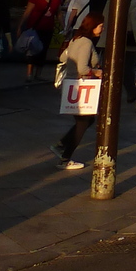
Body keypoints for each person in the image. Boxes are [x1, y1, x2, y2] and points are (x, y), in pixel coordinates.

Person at [51, 13, 104, 170]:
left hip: (71, 85)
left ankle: (62, 146)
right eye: (100, 25)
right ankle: (65, 158)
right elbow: (83, 68)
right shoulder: (86, 42)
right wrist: (96, 72)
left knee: (86, 120)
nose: (102, 28)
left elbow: (62, 57)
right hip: (81, 88)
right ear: (93, 26)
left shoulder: (76, 39)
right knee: (83, 121)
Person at [18, 0, 62, 82]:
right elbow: (27, 13)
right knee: (32, 50)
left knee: (43, 51)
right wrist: (20, 26)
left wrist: (63, 25)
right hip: (34, 28)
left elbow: (59, 13)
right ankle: (29, 74)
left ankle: (38, 74)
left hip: (48, 29)